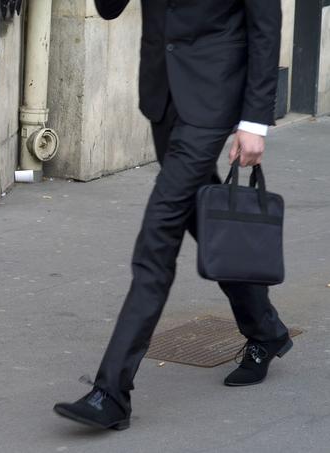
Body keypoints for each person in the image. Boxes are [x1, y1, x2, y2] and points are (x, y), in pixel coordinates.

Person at [53, 0, 291, 430]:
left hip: (214, 94)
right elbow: (108, 9)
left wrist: (255, 121)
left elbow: (265, 25)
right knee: (199, 213)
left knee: (156, 237)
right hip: (163, 92)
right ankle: (266, 329)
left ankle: (112, 392)